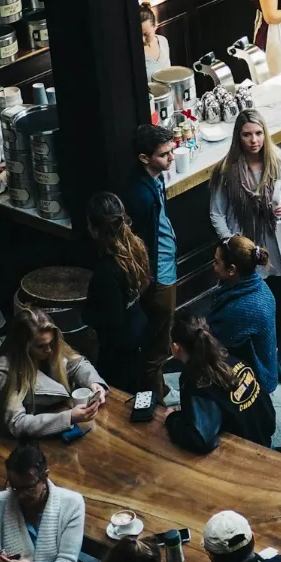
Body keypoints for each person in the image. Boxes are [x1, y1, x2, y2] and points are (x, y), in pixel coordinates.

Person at [208, 108, 281, 364]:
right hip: (242, 247)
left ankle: (274, 357)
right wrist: (231, 244)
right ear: (238, 137)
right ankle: (244, 358)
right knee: (244, 304)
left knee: (275, 300)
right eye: (247, 134)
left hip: (273, 244)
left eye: (258, 133)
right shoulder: (226, 170)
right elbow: (216, 213)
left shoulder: (280, 161)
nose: (254, 140)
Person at [119, 124, 179, 403]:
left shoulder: (155, 178)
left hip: (166, 262)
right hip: (158, 273)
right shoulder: (139, 195)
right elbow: (139, 243)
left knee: (161, 335)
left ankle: (157, 390)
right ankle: (153, 397)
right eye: (163, 155)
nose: (171, 158)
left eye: (171, 151)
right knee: (157, 341)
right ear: (144, 158)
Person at [0, 443, 91, 562]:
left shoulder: (72, 503)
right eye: (14, 488)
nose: (21, 496)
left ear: (45, 476)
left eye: (29, 488)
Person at [165, 315, 275, 452]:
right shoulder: (230, 358)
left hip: (243, 453)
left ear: (176, 347)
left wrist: (171, 418)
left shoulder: (195, 382)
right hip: (264, 438)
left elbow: (199, 440)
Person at [0, 310, 105, 439]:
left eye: (51, 343)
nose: (49, 350)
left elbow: (77, 363)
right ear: (24, 347)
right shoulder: (3, 373)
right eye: (41, 346)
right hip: (27, 441)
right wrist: (69, 417)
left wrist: (93, 382)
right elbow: (17, 423)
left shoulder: (50, 346)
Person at [82, 192, 151, 393]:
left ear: (94, 229)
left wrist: (85, 315)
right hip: (139, 330)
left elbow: (113, 319)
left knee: (117, 398)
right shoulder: (136, 247)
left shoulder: (107, 270)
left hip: (119, 348)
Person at [204, 235, 280, 398]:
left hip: (253, 380)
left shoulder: (242, 309)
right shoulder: (259, 286)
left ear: (232, 270)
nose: (214, 266)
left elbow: (214, 340)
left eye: (217, 262)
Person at [139, 4, 169, 82]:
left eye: (146, 34)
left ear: (155, 26)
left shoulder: (163, 41)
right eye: (138, 35)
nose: (142, 40)